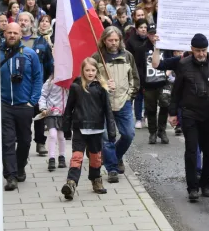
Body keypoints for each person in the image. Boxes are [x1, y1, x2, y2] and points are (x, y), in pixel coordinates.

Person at [168, 33, 209, 202]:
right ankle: (192, 188)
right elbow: (177, 91)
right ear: (191, 50)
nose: (201, 54)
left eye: (203, 50)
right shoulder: (183, 64)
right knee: (191, 150)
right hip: (190, 113)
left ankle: (205, 184)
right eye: (197, 51)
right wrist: (173, 113)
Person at [61, 58, 117, 199]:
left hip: (96, 128)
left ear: (97, 71)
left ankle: (96, 180)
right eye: (87, 70)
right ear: (82, 71)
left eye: (93, 70)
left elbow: (108, 110)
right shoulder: (76, 86)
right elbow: (69, 108)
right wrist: (66, 127)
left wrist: (111, 131)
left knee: (95, 157)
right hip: (80, 128)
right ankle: (71, 183)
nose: (90, 73)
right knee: (77, 157)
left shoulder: (101, 88)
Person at [92, 27, 140, 182]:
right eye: (110, 40)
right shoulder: (97, 57)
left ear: (120, 40)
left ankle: (116, 155)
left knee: (128, 134)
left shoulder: (128, 56)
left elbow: (134, 77)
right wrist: (104, 85)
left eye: (116, 40)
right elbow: (90, 80)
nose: (113, 43)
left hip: (123, 101)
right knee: (107, 138)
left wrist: (129, 96)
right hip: (103, 104)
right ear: (104, 40)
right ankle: (112, 168)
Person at [0, 23, 44, 191]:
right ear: (4, 33)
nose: (12, 35)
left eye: (15, 33)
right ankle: (10, 176)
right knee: (8, 141)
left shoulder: (29, 54)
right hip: (4, 105)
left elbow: (37, 77)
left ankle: (20, 167)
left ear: (20, 34)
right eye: (9, 32)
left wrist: (32, 101)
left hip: (24, 105)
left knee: (25, 140)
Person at [17, 11, 54, 157]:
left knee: (40, 113)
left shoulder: (40, 41)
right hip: (19, 85)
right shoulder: (14, 41)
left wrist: (50, 80)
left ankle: (40, 143)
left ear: (32, 23)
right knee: (23, 115)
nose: (23, 23)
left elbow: (49, 62)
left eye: (26, 20)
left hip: (38, 84)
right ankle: (21, 141)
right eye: (20, 20)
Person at [139, 24, 173, 144]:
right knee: (151, 108)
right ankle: (152, 132)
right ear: (148, 34)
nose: (154, 36)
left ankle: (162, 130)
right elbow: (140, 67)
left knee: (165, 105)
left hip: (163, 82)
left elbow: (171, 61)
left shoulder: (165, 46)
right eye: (151, 34)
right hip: (149, 84)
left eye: (155, 33)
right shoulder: (143, 47)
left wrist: (168, 73)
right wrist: (143, 83)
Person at [39, 74, 68, 171]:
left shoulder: (68, 83)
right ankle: (51, 158)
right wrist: (43, 108)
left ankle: (62, 157)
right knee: (52, 135)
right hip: (51, 113)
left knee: (61, 136)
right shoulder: (50, 82)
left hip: (62, 114)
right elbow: (43, 95)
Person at [126, 19, 150, 129]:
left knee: (149, 97)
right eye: (141, 27)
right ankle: (139, 118)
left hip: (150, 72)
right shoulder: (131, 41)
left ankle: (147, 116)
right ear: (136, 29)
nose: (143, 29)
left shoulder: (151, 40)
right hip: (137, 71)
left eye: (145, 27)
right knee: (139, 96)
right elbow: (128, 57)